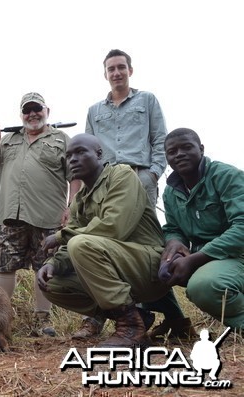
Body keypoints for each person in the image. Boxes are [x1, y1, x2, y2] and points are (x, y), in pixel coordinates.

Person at [81, 48, 193, 341]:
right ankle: (108, 318)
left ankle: (167, 318)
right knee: (106, 244)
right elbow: (89, 149)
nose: (116, 73)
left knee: (144, 247)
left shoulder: (147, 100)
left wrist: (152, 174)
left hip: (139, 179)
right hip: (105, 185)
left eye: (121, 67)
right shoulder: (94, 111)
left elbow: (160, 139)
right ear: (104, 74)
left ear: (130, 70)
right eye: (111, 69)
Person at [36, 133, 170, 347]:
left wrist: (60, 236)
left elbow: (113, 227)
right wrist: (52, 263)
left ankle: (130, 328)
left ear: (99, 154)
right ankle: (134, 316)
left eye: (80, 152)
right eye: (69, 155)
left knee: (80, 244)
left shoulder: (121, 175)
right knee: (52, 284)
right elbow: (74, 232)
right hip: (115, 268)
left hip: (149, 267)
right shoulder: (80, 198)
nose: (73, 160)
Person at [0, 92, 81, 337]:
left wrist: (71, 206)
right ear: (21, 114)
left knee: (44, 266)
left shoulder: (61, 139)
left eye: (37, 108)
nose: (32, 114)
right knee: (5, 267)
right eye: (27, 110)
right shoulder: (7, 140)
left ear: (47, 111)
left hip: (47, 216)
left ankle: (42, 321)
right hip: (11, 215)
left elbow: (75, 176)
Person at [159, 128, 244, 330]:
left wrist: (195, 259)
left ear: (201, 149)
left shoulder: (226, 176)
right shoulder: (170, 191)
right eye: (172, 151)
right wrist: (174, 242)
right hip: (205, 258)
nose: (179, 154)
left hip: (237, 255)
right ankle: (174, 321)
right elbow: (172, 227)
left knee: (204, 287)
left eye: (186, 147)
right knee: (147, 263)